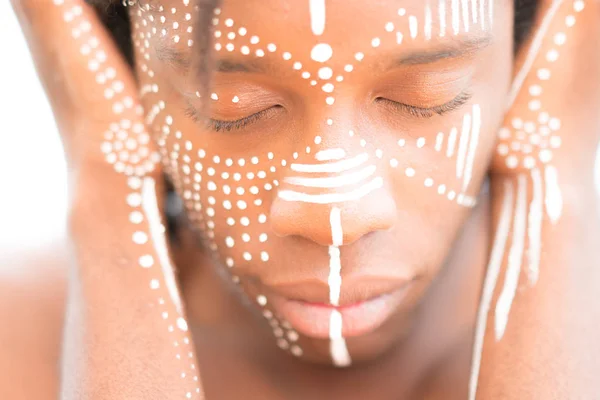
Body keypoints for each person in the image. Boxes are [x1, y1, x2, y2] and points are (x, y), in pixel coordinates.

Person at [3, 0, 600, 398]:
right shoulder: (18, 342)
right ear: (125, 70)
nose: (336, 213)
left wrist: (551, 178)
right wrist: (108, 178)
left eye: (427, 96)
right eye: (233, 108)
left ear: (532, 52)